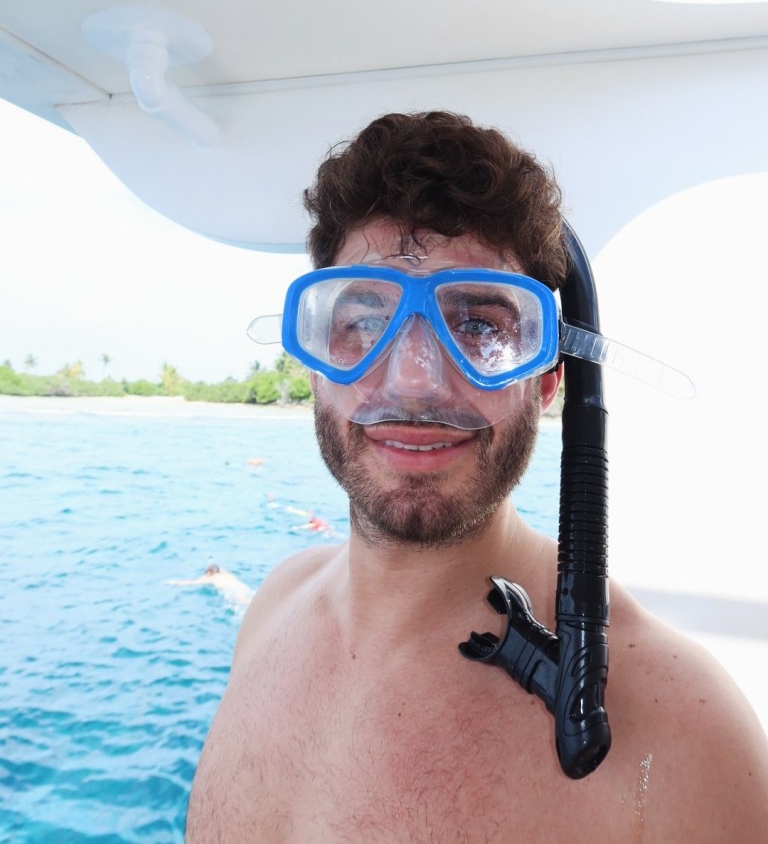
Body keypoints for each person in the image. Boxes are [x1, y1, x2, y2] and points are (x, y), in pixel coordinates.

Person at [185, 111, 768, 841]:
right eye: (363, 320)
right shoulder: (273, 609)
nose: (417, 380)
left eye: (481, 327)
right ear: (312, 358)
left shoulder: (678, 732)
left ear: (551, 375)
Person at [168, 563, 254, 608]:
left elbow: (192, 582)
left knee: (243, 602)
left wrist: (175, 582)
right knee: (250, 597)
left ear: (209, 573)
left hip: (231, 589)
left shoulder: (210, 578)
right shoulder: (224, 573)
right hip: (240, 585)